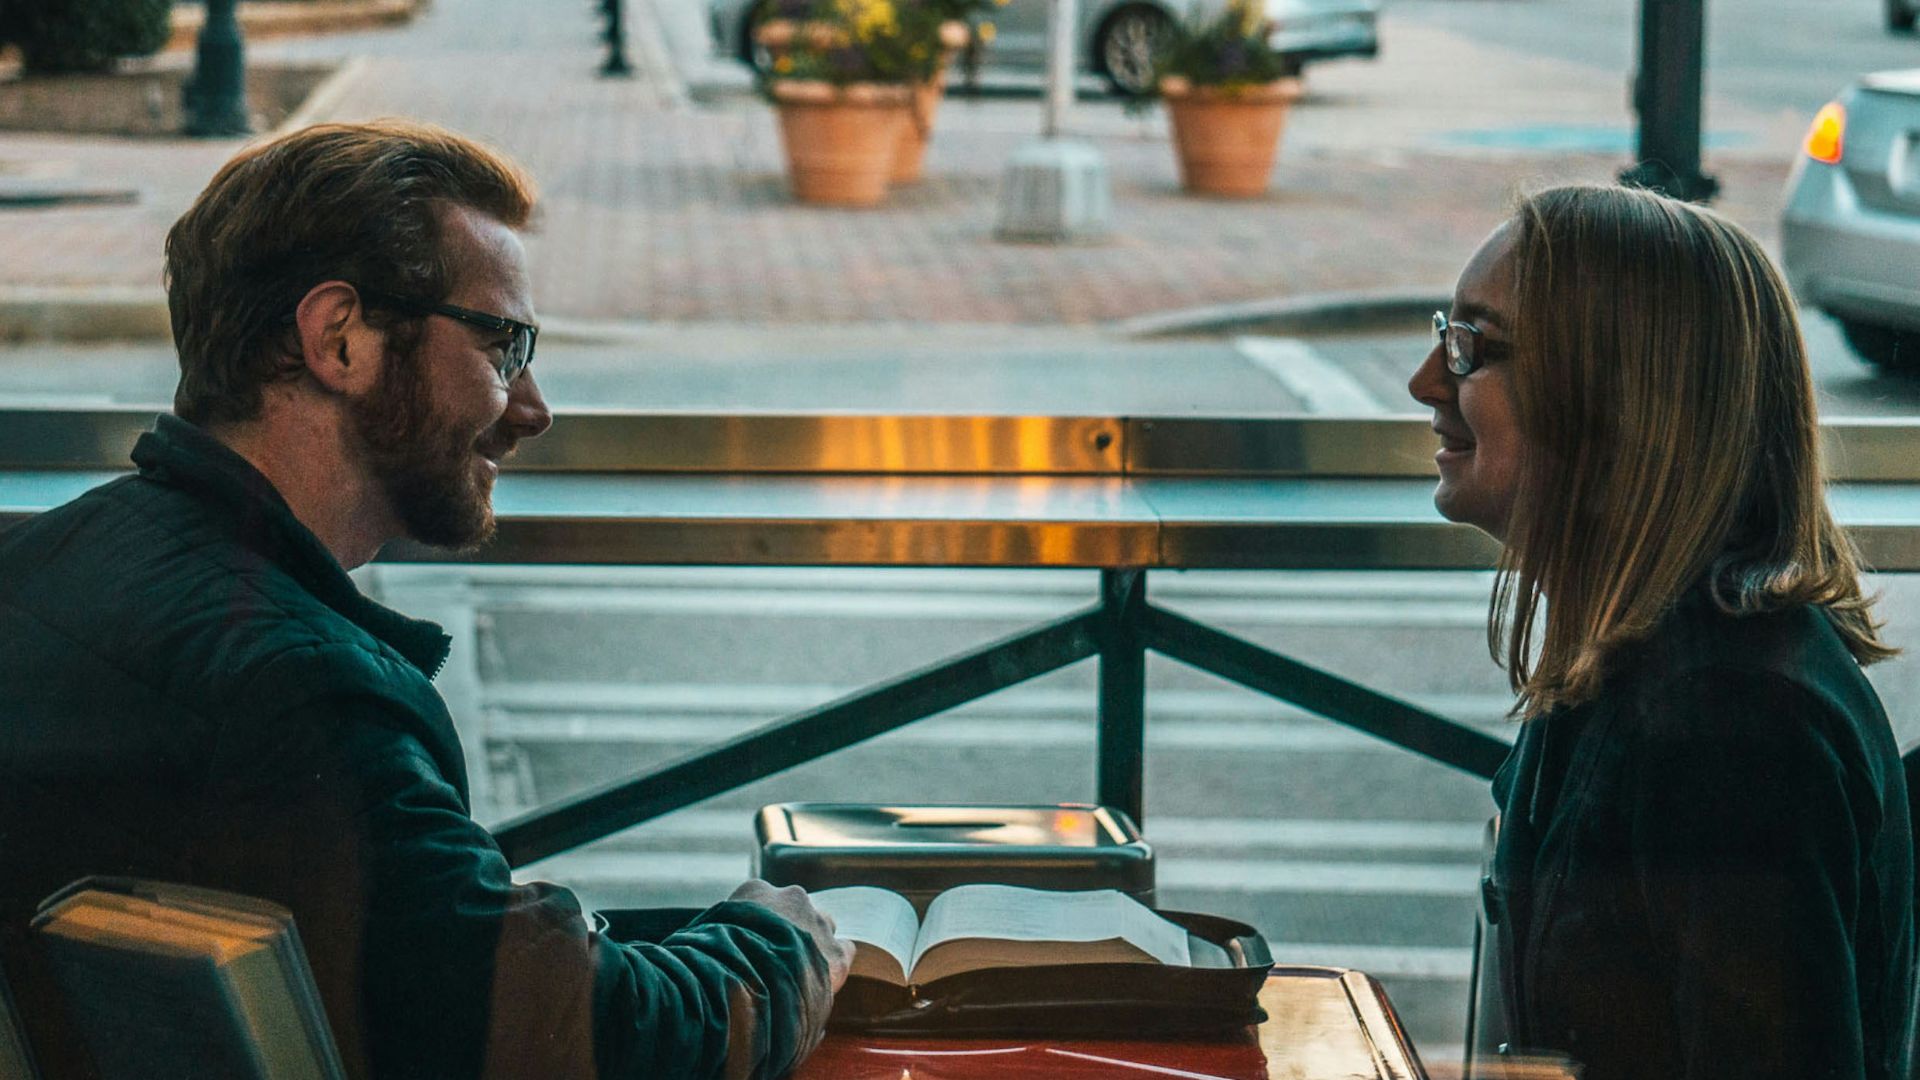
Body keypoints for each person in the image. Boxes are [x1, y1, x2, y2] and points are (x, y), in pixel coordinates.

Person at [0, 120, 852, 1079]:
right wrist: (782, 945)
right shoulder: (304, 696)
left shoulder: (35, 565)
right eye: (503, 345)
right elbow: (580, 1031)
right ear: (340, 338)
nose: (532, 408)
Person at [1408, 183, 1916, 1080]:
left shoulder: (1731, 727)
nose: (1426, 382)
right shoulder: (1658, 661)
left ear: (1615, 396)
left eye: (1469, 347)